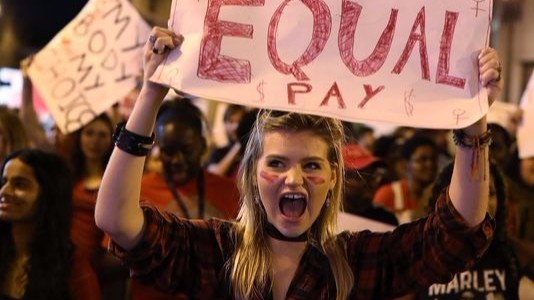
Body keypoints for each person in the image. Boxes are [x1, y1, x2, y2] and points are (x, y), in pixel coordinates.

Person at [95, 27, 501, 299]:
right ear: (253, 176)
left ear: (332, 177)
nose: (295, 178)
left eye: (311, 166)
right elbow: (117, 220)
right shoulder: (218, 251)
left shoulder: (355, 262)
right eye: (277, 163)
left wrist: (473, 120)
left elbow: (456, 232)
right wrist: (149, 95)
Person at [415, 161, 533, 299]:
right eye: (470, 191)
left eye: (490, 193)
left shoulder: (518, 255)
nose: (482, 201)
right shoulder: (420, 257)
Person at [1, 149, 100, 299]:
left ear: (48, 194)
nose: (4, 191)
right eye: (4, 181)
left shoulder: (72, 266)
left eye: (20, 184)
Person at [373, 136, 439, 224]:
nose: (430, 164)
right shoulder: (387, 194)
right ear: (405, 164)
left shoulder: (440, 197)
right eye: (422, 159)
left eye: (433, 159)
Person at [342, 143, 398, 226]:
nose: (372, 184)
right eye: (361, 176)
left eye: (373, 176)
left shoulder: (384, 219)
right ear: (339, 179)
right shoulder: (322, 218)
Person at [206, 104, 247, 178]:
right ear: (224, 124)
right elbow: (213, 175)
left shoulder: (251, 152)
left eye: (239, 122)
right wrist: (238, 145)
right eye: (231, 121)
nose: (236, 126)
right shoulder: (219, 152)